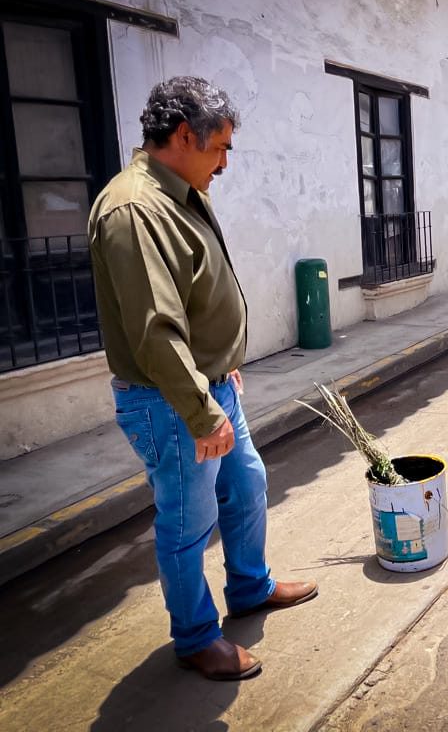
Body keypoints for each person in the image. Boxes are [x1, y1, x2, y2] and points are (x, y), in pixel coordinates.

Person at [88, 77, 318, 681]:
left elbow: (190, 296)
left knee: (245, 485)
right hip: (169, 400)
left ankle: (249, 587)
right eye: (220, 147)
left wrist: (218, 360)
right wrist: (200, 406)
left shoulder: (182, 189)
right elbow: (154, 329)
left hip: (208, 384)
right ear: (185, 135)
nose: (225, 162)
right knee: (187, 524)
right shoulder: (136, 208)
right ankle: (194, 636)